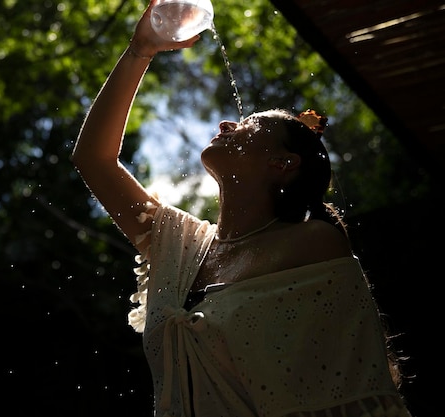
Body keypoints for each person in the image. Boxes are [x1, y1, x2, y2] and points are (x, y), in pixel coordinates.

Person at [72, 1, 413, 416]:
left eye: (250, 125)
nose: (225, 125)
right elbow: (93, 159)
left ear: (282, 164)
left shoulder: (312, 244)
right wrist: (140, 51)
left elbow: (343, 394)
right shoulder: (179, 248)